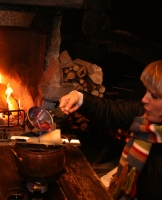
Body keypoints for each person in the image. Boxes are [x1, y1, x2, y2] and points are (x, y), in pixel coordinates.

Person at [59, 60, 162, 200]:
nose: (144, 99)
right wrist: (79, 97)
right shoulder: (142, 113)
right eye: (146, 91)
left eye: (154, 96)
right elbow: (109, 110)